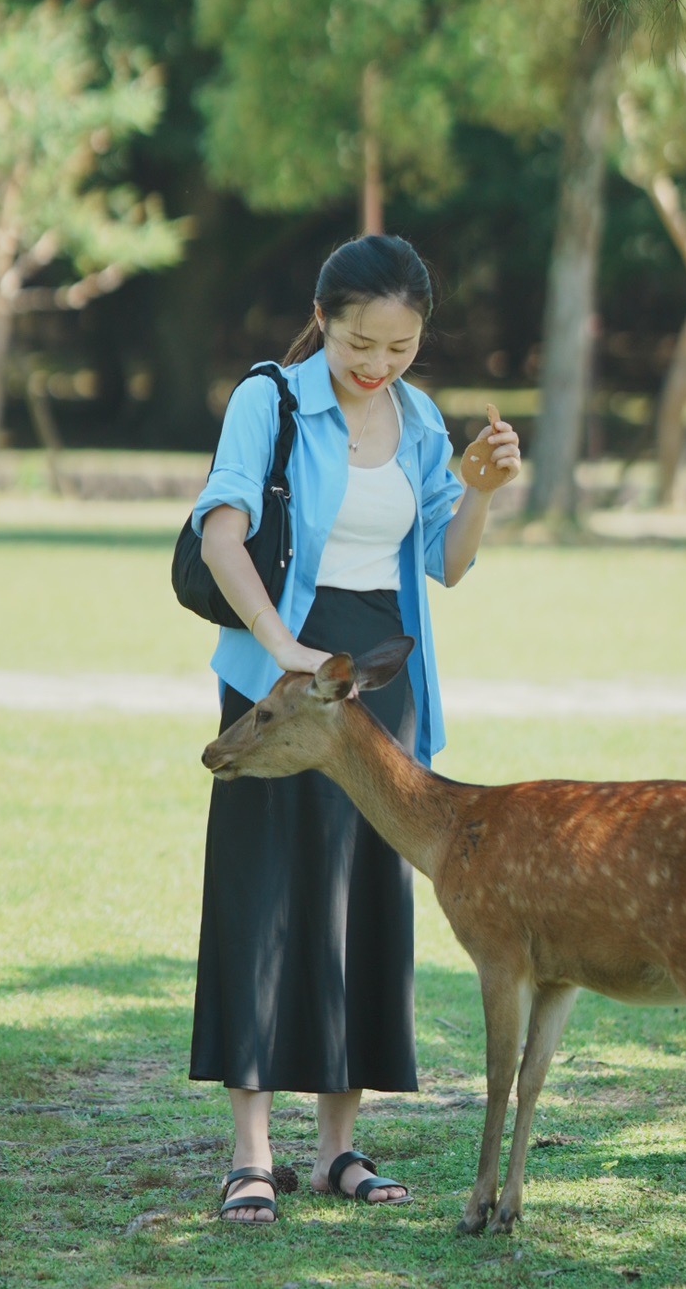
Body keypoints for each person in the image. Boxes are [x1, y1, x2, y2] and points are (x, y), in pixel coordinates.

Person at [188, 234, 521, 1224]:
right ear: (323, 318)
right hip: (286, 679)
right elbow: (220, 530)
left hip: (385, 681)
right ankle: (251, 1150)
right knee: (261, 892)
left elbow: (444, 562)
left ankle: (338, 1147)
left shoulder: (416, 416)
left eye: (402, 346)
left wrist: (482, 496)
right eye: (360, 343)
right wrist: (282, 644)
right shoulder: (271, 399)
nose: (378, 365)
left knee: (363, 899)